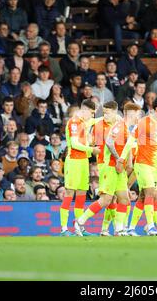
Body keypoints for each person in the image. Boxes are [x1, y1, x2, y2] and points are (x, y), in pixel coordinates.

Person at [75, 103, 142, 236]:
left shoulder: (125, 127)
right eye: (137, 114)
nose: (138, 117)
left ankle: (119, 229)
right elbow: (109, 143)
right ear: (130, 113)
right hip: (109, 166)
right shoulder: (119, 126)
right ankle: (80, 221)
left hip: (118, 168)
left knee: (124, 199)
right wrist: (119, 159)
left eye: (108, 113)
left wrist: (125, 161)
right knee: (106, 199)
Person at [126, 97, 157, 236]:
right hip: (142, 163)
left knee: (144, 196)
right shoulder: (144, 122)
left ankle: (131, 228)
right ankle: (151, 226)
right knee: (151, 193)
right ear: (156, 109)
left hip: (154, 166)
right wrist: (125, 159)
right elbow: (131, 141)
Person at [60, 100, 100, 236]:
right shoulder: (74, 122)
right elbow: (75, 144)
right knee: (69, 193)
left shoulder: (84, 122)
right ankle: (64, 229)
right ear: (85, 110)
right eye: (92, 113)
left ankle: (79, 227)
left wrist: (113, 116)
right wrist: (92, 149)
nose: (93, 116)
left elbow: (94, 121)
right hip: (73, 161)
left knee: (82, 194)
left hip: (84, 161)